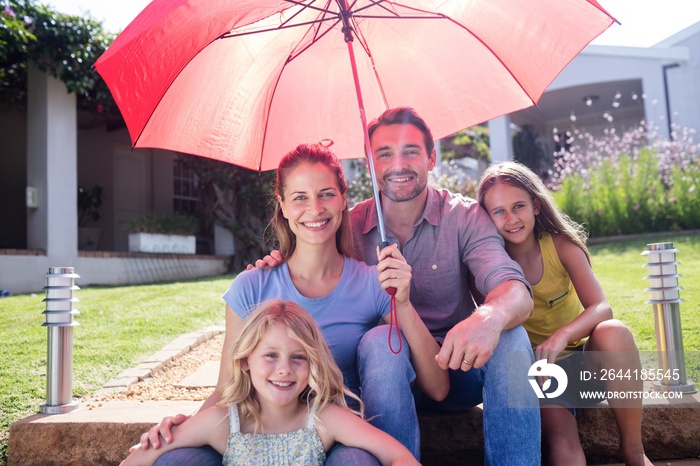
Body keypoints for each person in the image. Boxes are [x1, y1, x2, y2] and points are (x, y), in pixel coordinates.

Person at [256, 107, 541, 464]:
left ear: (431, 157)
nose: (398, 164)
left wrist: (488, 317)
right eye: (385, 154)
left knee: (511, 335)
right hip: (383, 378)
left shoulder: (464, 217)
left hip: (457, 368)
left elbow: (514, 289)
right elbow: (305, 259)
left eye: (410, 151)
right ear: (371, 163)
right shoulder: (347, 226)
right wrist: (275, 262)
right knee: (380, 341)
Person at [138, 143, 447, 465]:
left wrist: (404, 303)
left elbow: (438, 389)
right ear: (283, 207)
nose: (314, 209)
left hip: (339, 434)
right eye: (300, 197)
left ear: (344, 200)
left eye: (326, 194)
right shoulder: (252, 286)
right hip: (261, 434)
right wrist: (181, 429)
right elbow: (227, 389)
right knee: (177, 460)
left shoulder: (376, 282)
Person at [477, 161, 652, 466]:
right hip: (542, 377)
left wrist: (562, 336)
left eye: (518, 206)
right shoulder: (487, 265)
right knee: (562, 445)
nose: (511, 218)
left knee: (614, 330)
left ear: (535, 205)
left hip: (586, 364)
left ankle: (634, 452)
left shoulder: (560, 246)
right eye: (499, 211)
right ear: (485, 217)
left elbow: (601, 306)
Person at [121, 300, 420, 466]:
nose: (284, 370)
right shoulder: (223, 422)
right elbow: (137, 460)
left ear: (313, 363)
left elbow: (398, 455)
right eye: (271, 355)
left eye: (298, 357)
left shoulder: (324, 419)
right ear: (244, 361)